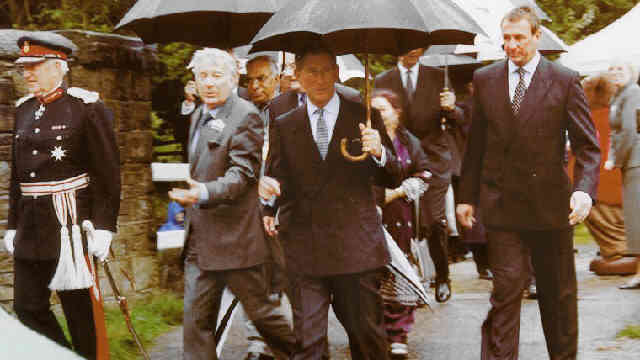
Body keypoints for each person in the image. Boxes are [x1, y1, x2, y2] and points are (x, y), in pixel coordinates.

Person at [456, 6, 600, 360]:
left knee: (557, 294)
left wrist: (583, 189)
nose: (511, 45)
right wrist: (466, 197)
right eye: (506, 38)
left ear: (537, 37)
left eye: (519, 37)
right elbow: (476, 145)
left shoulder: (565, 80)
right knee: (506, 289)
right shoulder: (485, 79)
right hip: (502, 206)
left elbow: (587, 146)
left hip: (550, 208)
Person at [264, 42, 402, 360]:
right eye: (312, 71)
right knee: (308, 342)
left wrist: (379, 151)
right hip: (305, 249)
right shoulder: (285, 124)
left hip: (356, 249)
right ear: (297, 75)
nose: (321, 78)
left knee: (367, 337)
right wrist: (267, 200)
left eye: (328, 70)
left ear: (338, 72)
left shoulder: (362, 115)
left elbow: (393, 176)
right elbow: (278, 176)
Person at [168, 48, 296, 360]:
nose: (208, 83)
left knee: (265, 316)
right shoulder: (199, 113)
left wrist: (203, 193)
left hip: (236, 241)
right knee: (195, 323)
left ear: (232, 78)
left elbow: (242, 176)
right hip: (200, 240)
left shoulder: (245, 115)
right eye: (202, 76)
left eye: (216, 76)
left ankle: (304, 355)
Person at [3, 33, 121, 360]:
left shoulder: (86, 109)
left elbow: (108, 173)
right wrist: (12, 225)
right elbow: (17, 175)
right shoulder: (24, 110)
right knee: (27, 308)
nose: (27, 73)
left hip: (70, 226)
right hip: (31, 227)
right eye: (24, 67)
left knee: (80, 314)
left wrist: (104, 226)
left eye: (35, 66)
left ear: (59, 67)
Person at [375, 47, 463, 302]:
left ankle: (443, 276)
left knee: (432, 221)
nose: (412, 51)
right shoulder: (383, 80)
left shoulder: (437, 77)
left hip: (433, 161)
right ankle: (406, 280)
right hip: (397, 157)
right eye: (406, 45)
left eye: (418, 46)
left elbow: (457, 120)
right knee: (401, 223)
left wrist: (451, 108)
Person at [371, 89, 430, 359]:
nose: (377, 115)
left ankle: (398, 334)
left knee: (400, 271)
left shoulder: (409, 142)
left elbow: (425, 175)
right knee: (371, 275)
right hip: (369, 217)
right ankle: (375, 331)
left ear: (396, 112)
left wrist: (395, 193)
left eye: (382, 109)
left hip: (401, 216)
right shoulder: (364, 140)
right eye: (373, 110)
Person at [602, 61, 640, 289]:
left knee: (636, 217)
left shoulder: (633, 92)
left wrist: (616, 159)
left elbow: (629, 130)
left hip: (635, 162)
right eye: (612, 68)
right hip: (631, 162)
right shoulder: (619, 95)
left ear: (632, 73)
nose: (615, 72)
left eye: (621, 69)